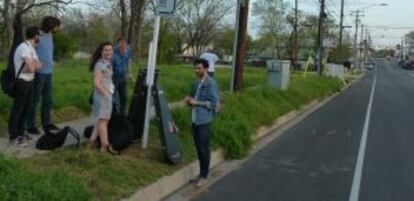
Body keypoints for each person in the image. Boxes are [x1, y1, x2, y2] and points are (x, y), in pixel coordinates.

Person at [185, 58, 220, 188]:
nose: (196, 70)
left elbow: (214, 104)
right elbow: (191, 96)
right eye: (195, 68)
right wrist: (188, 99)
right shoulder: (195, 83)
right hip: (194, 119)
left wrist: (197, 102)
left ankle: (204, 177)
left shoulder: (211, 83)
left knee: (204, 149)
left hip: (204, 121)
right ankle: (201, 174)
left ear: (206, 69)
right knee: (199, 149)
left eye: (199, 68)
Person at [27, 16, 61, 135]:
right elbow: (29, 51)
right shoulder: (38, 35)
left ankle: (46, 123)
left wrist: (51, 61)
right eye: (56, 25)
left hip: (48, 73)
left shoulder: (50, 35)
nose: (57, 28)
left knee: (48, 100)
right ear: (50, 25)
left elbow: (46, 51)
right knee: (34, 100)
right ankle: (30, 125)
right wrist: (35, 63)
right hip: (38, 73)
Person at [8, 27, 42, 147]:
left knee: (26, 109)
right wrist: (32, 66)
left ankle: (21, 133)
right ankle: (13, 136)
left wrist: (32, 66)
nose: (40, 37)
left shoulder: (31, 48)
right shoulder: (24, 47)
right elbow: (33, 67)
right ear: (35, 35)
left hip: (29, 81)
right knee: (18, 110)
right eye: (39, 35)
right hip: (22, 82)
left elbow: (39, 65)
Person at [89, 42, 117, 154]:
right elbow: (96, 83)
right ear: (101, 51)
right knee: (104, 121)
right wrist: (105, 95)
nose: (108, 52)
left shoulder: (108, 63)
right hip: (102, 96)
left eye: (110, 50)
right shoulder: (100, 64)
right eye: (106, 50)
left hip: (107, 95)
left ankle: (92, 142)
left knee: (101, 120)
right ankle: (104, 146)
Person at [111, 37, 132, 115]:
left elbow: (129, 60)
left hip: (123, 76)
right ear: (118, 43)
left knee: (124, 95)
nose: (123, 45)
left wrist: (129, 72)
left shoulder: (128, 50)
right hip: (113, 77)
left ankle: (122, 112)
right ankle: (114, 113)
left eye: (125, 43)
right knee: (113, 96)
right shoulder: (113, 51)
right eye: (121, 43)